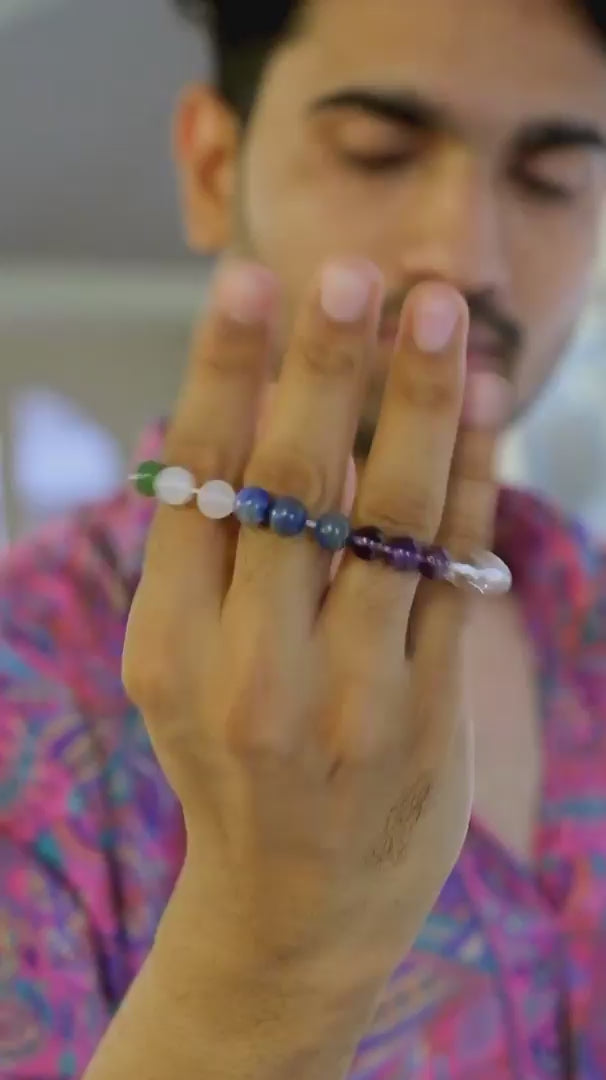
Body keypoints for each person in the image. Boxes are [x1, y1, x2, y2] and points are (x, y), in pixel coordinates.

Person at [3, 0, 606, 1075]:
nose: (468, 257)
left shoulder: (587, 606)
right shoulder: (29, 683)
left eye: (550, 178)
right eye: (378, 153)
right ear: (211, 167)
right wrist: (262, 968)